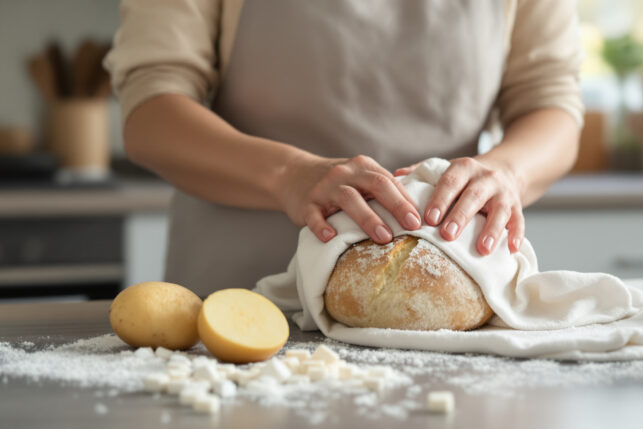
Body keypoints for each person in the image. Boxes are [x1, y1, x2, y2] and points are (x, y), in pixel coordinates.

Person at [105, 0, 583, 297]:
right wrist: (288, 174)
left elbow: (550, 101)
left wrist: (507, 172)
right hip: (244, 296)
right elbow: (151, 110)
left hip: (443, 297)